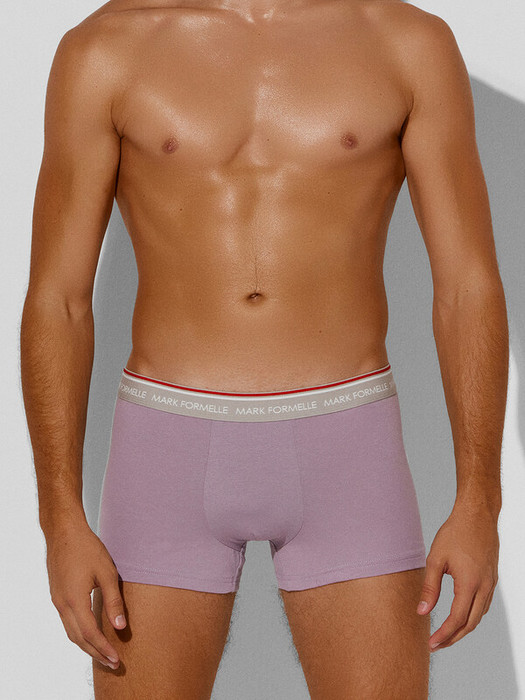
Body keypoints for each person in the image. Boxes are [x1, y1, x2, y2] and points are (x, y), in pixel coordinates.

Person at [20, 0, 508, 696]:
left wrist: (479, 502)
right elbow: (58, 300)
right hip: (165, 447)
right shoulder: (106, 48)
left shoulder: (406, 43)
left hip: (348, 444)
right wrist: (59, 519)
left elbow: (466, 287)